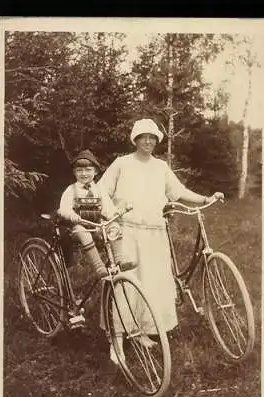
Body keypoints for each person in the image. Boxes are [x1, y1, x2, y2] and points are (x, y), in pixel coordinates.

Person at [97, 118, 223, 364]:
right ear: (135, 139)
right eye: (143, 136)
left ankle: (142, 331)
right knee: (125, 285)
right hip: (126, 232)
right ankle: (117, 340)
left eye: (152, 137)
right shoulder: (122, 163)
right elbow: (101, 191)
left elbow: (179, 192)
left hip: (154, 233)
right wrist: (113, 215)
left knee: (152, 283)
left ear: (157, 141)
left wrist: (206, 197)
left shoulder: (160, 167)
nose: (148, 141)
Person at [58, 149, 135, 279]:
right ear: (74, 172)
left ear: (95, 171)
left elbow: (108, 208)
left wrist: (115, 214)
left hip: (96, 225)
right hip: (77, 228)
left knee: (114, 226)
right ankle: (98, 266)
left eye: (88, 170)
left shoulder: (99, 190)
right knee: (83, 233)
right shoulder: (71, 190)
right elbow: (63, 209)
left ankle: (120, 259)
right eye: (79, 170)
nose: (84, 174)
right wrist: (72, 215)